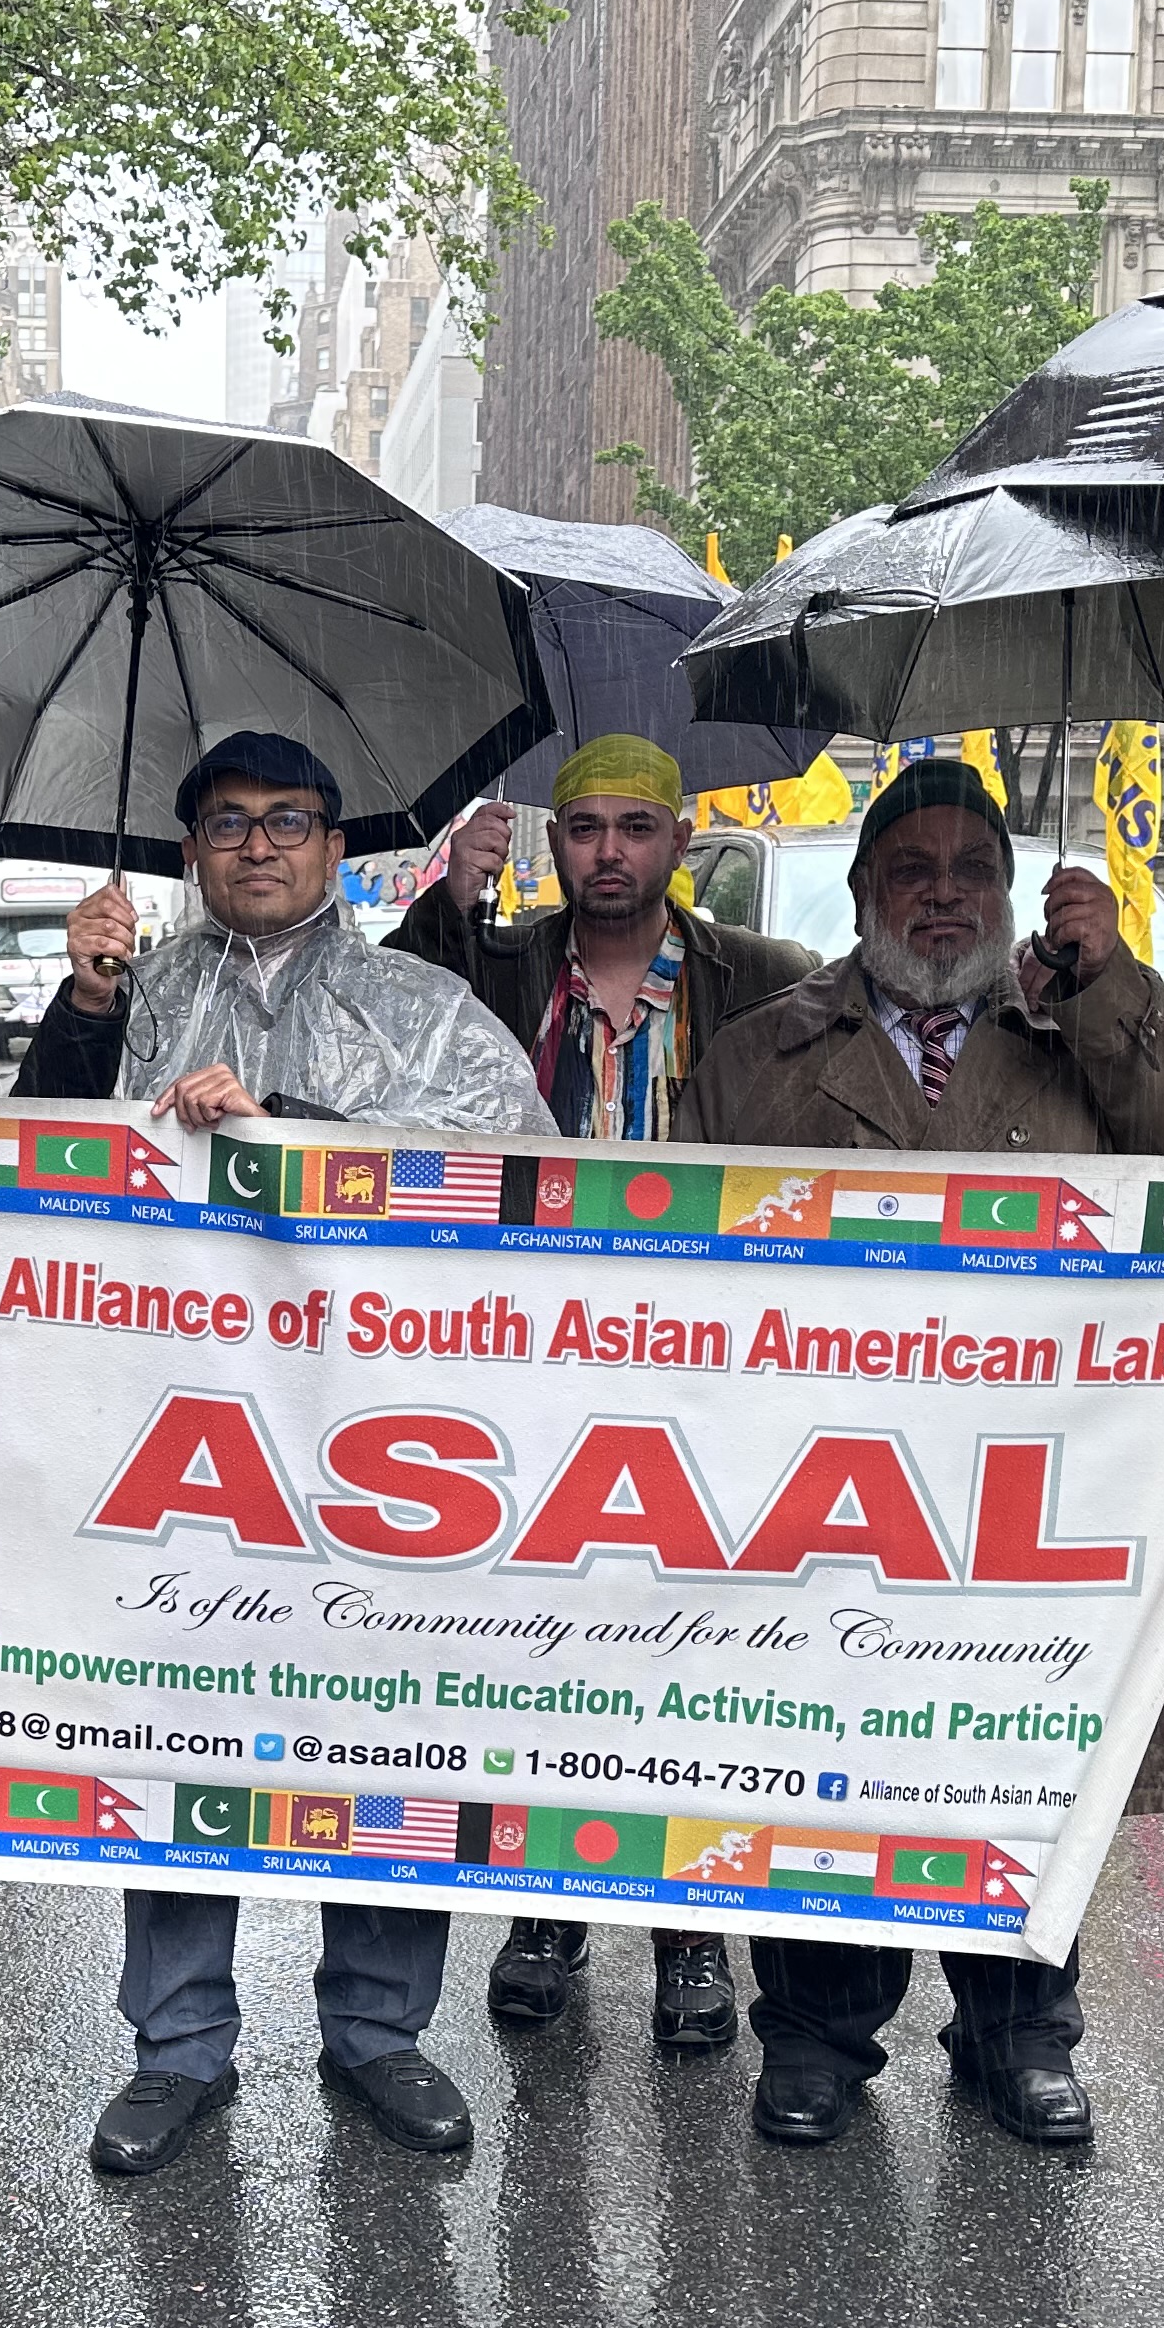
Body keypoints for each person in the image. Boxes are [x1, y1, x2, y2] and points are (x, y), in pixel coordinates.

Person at [679, 754, 1164, 2150]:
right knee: (824, 1763)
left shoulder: (1086, 1032)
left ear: (1010, 894)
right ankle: (815, 2038)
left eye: (973, 872)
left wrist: (1108, 981)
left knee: (1021, 1759)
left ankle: (1021, 2035)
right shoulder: (759, 1054)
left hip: (1030, 1486)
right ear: (865, 892)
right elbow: (675, 1271)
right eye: (913, 872)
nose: (945, 897)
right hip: (822, 1487)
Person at [18, 730, 554, 2176]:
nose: (258, 846)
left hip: (372, 1442)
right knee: (178, 1723)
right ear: (189, 849)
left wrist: (291, 1134)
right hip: (177, 1439)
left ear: (337, 845)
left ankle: (380, 2030)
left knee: (378, 1725)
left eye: (288, 821)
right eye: (227, 824)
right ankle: (178, 2045)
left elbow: (519, 1175)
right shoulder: (130, 996)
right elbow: (30, 1178)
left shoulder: (418, 1006)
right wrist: (82, 1009)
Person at [393, 734, 817, 2052]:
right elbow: (392, 1031)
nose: (612, 853)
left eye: (639, 827)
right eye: (587, 829)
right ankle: (545, 1910)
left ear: (680, 842)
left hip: (707, 1370)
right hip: (528, 1366)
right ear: (552, 842)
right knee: (540, 1653)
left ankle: (692, 1931)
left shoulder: (765, 983)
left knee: (688, 1654)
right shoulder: (496, 961)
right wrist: (447, 900)